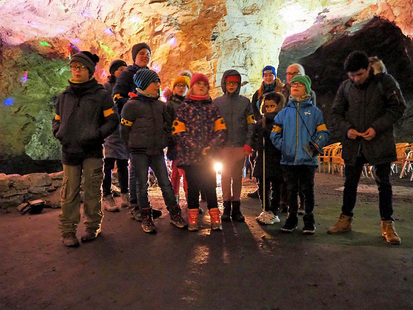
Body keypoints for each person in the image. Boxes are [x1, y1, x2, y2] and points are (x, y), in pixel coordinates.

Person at [327, 51, 406, 245]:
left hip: (379, 141)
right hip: (354, 143)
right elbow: (336, 113)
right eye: (351, 75)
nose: (355, 79)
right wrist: (347, 130)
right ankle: (345, 220)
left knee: (384, 184)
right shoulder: (345, 87)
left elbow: (398, 107)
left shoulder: (385, 82)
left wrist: (376, 128)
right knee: (350, 183)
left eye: (359, 74)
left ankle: (388, 225)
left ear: (368, 68)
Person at [52, 51, 119, 247]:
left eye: (80, 67)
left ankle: (92, 227)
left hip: (92, 151)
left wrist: (97, 135)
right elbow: (56, 120)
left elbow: (112, 120)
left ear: (89, 70)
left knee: (91, 190)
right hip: (69, 150)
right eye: (74, 67)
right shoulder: (63, 96)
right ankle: (68, 231)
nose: (76, 71)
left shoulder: (101, 96)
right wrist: (59, 132)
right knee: (69, 192)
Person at [120, 69, 188, 234]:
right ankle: (146, 216)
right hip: (139, 152)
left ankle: (174, 213)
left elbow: (168, 125)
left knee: (165, 183)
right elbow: (124, 130)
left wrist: (165, 139)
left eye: (158, 81)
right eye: (154, 82)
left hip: (157, 151)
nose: (158, 85)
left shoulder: (160, 106)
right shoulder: (131, 106)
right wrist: (131, 147)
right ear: (143, 84)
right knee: (141, 185)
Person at [270, 75, 329, 234]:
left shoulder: (315, 112)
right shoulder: (283, 114)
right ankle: (291, 219)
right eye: (293, 84)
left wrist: (312, 149)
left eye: (299, 85)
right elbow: (275, 133)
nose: (295, 86)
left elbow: (323, 132)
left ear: (307, 89)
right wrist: (284, 147)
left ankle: (309, 220)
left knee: (307, 190)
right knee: (290, 190)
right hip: (288, 161)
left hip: (308, 161)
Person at [112, 42, 161, 220]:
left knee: (143, 169)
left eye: (148, 53)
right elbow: (117, 97)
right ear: (134, 56)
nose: (145, 56)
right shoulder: (127, 75)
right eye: (141, 53)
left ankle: (144, 205)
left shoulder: (151, 75)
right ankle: (135, 205)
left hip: (149, 128)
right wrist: (134, 105)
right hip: (133, 127)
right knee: (135, 168)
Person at [172, 73, 227, 231]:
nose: (201, 86)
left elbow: (221, 129)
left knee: (210, 187)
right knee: (193, 188)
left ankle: (215, 219)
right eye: (198, 84)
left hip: (209, 157)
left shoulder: (212, 107)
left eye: (204, 84)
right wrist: (195, 147)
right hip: (190, 157)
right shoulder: (184, 108)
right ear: (192, 87)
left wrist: (211, 147)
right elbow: (178, 131)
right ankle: (193, 220)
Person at [214, 69, 255, 222]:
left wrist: (248, 144)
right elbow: (214, 125)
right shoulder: (217, 103)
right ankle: (226, 207)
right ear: (224, 83)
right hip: (223, 147)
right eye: (229, 83)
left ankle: (236, 207)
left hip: (239, 146)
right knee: (225, 176)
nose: (231, 85)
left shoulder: (245, 102)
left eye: (234, 83)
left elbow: (251, 124)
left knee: (237, 177)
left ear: (238, 84)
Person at [280, 63, 316, 214]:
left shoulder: (310, 93)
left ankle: (304, 205)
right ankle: (285, 202)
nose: (291, 76)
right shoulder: (281, 92)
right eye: (289, 73)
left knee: (305, 174)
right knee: (286, 174)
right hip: (287, 139)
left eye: (295, 73)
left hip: (304, 139)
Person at [248, 65, 284, 199]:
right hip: (261, 127)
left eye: (270, 74)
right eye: (266, 75)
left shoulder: (281, 91)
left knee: (275, 161)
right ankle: (261, 188)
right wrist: (259, 123)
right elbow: (254, 110)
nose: (268, 77)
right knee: (258, 159)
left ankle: (277, 193)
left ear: (275, 76)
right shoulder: (257, 94)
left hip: (276, 127)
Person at [102, 59, 129, 212]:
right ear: (113, 72)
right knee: (108, 164)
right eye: (120, 69)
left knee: (124, 164)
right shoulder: (106, 87)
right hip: (111, 131)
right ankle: (107, 196)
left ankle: (125, 194)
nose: (123, 72)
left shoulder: (128, 88)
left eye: (125, 69)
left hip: (123, 130)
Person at [253, 91, 284, 225]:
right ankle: (265, 209)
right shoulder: (261, 123)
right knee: (262, 184)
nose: (269, 109)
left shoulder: (282, 123)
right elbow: (254, 139)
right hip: (263, 157)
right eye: (267, 106)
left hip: (276, 158)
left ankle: (273, 211)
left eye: (272, 106)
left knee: (277, 185)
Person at [166, 75, 191, 206]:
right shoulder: (170, 105)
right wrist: (173, 140)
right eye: (178, 85)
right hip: (176, 144)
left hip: (188, 145)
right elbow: (168, 124)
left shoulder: (190, 103)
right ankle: (174, 199)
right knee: (176, 173)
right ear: (174, 88)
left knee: (187, 174)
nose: (181, 88)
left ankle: (189, 199)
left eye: (184, 86)